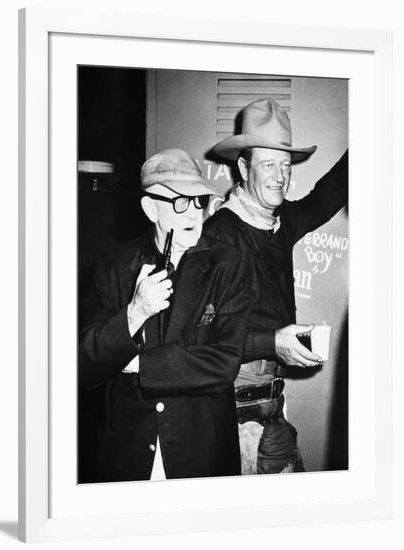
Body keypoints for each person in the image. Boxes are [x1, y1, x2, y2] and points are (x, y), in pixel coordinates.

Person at [79, 148, 253, 482]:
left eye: (199, 201)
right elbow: (85, 366)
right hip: (126, 458)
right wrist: (135, 313)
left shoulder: (228, 265)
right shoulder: (114, 265)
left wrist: (138, 364)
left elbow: (224, 362)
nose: (193, 215)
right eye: (180, 202)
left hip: (201, 457)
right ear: (150, 208)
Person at [203, 98, 348, 474]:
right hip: (231, 416)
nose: (279, 176)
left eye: (285, 165)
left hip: (271, 408)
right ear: (243, 167)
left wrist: (378, 129)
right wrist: (274, 341)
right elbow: (202, 338)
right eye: (268, 164)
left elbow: (326, 196)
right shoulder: (220, 234)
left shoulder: (280, 219)